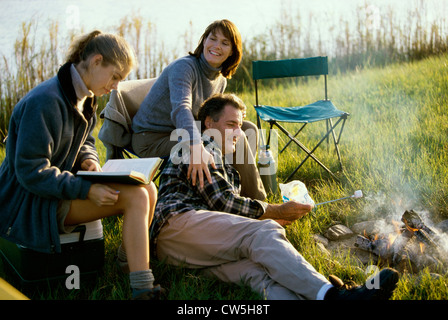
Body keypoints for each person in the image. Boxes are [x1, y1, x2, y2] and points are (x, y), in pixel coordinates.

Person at [150, 93, 399, 300]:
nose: (238, 133)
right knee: (263, 231)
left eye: (240, 126)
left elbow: (224, 215)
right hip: (177, 226)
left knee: (257, 273)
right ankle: (336, 298)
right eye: (230, 125)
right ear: (209, 123)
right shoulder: (201, 148)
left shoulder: (224, 166)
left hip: (182, 252)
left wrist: (262, 216)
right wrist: (274, 212)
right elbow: (223, 203)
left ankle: (325, 296)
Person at [0, 30, 162, 300]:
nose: (115, 86)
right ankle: (142, 289)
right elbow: (30, 172)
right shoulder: (45, 102)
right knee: (134, 198)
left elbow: (84, 139)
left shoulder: (85, 94)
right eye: (115, 77)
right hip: (29, 201)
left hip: (58, 185)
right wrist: (86, 190)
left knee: (148, 190)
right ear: (96, 61)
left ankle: (128, 263)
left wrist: (89, 160)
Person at [131, 19, 266, 200]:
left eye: (225, 43)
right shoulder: (184, 67)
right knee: (230, 136)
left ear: (232, 51)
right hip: (153, 138)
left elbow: (208, 116)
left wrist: (235, 115)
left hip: (182, 132)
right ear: (204, 41)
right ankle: (256, 202)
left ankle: (233, 190)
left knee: (247, 128)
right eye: (213, 39)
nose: (216, 46)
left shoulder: (220, 80)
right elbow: (181, 108)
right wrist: (196, 146)